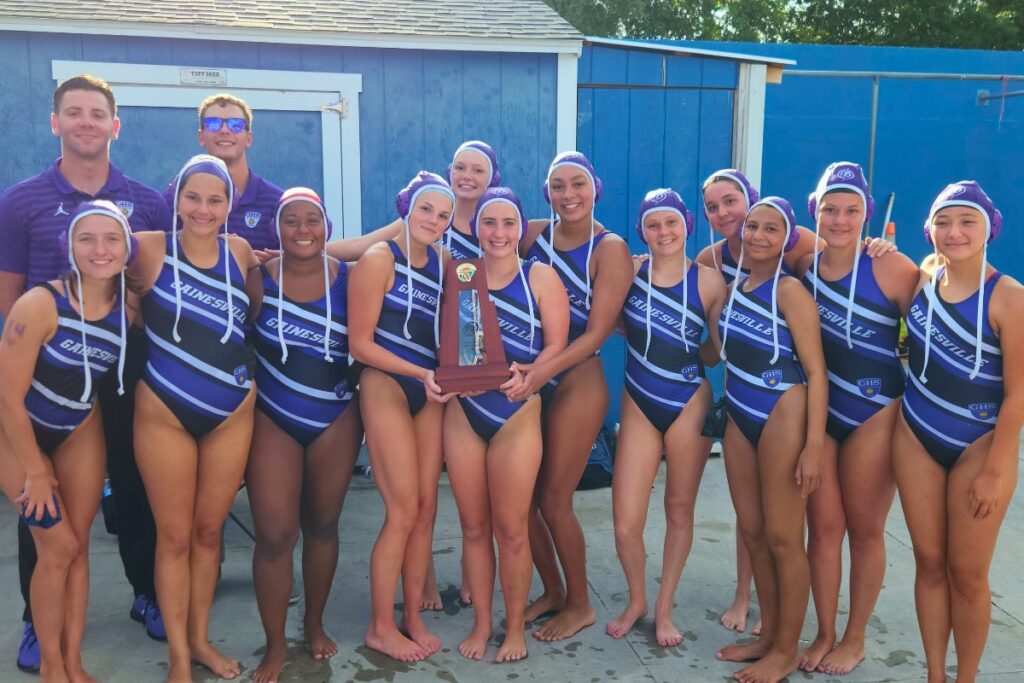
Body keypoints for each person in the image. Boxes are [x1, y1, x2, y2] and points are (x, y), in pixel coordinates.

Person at [0, 73, 170, 671]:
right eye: (74, 112)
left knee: (134, 483)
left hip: (111, 372)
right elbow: (9, 297)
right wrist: (46, 344)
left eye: (97, 113)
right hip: (41, 368)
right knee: (48, 528)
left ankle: (146, 594)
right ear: (56, 122)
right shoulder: (21, 202)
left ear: (115, 125)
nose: (86, 122)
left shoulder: (148, 202)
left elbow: (162, 286)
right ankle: (38, 629)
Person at [127, 154, 260, 682]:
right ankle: (179, 658)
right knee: (175, 537)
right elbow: (107, 283)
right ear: (176, 199)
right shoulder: (148, 248)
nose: (203, 209)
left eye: (215, 199)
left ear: (229, 204)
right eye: (193, 198)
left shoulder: (240, 251)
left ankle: (201, 641)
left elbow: (251, 313)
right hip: (164, 409)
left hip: (231, 413)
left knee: (208, 534)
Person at [0, 201, 136, 683]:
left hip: (78, 427)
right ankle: (51, 668)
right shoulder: (39, 304)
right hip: (15, 431)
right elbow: (7, 397)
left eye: (112, 239)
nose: (100, 249)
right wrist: (36, 470)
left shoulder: (128, 307)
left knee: (77, 549)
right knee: (56, 548)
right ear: (69, 246)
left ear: (128, 247)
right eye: (87, 239)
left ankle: (74, 662)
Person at [894, 181, 1022, 683]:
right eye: (943, 222)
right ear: (930, 230)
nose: (955, 232)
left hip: (980, 446)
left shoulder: (1009, 298)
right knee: (929, 563)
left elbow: (1019, 395)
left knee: (966, 575)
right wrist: (876, 243)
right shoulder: (924, 276)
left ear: (990, 227)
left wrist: (996, 471)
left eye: (968, 221)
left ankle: (965, 677)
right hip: (916, 436)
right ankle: (934, 675)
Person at [794, 162, 919, 675]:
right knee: (823, 530)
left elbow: (938, 322)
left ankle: (856, 637)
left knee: (866, 531)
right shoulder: (804, 269)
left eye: (851, 210)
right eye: (830, 209)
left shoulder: (892, 267)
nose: (840, 220)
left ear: (866, 213)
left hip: (876, 413)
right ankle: (824, 632)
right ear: (815, 211)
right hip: (823, 416)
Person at [444, 187, 568, 662]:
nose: (498, 233)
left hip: (517, 412)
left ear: (521, 228)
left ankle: (514, 627)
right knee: (473, 528)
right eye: (489, 223)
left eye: (508, 223)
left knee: (512, 530)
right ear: (475, 227)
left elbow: (556, 345)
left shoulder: (539, 276)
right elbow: (455, 341)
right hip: (465, 411)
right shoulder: (462, 273)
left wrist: (532, 375)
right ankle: (481, 623)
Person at [513, 151, 632, 641]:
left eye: (578, 183)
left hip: (576, 378)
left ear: (594, 188)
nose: (568, 194)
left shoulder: (610, 248)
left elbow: (598, 332)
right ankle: (553, 590)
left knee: (554, 499)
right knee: (522, 501)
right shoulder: (532, 235)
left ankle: (580, 604)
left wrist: (542, 371)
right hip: (533, 375)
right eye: (558, 185)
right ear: (547, 192)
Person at [247, 188, 363, 682]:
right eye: (291, 220)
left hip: (336, 416)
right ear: (277, 228)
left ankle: (313, 624)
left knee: (322, 524)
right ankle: (275, 644)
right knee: (275, 535)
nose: (302, 230)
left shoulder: (351, 279)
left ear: (327, 227)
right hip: (273, 418)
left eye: (312, 220)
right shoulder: (256, 278)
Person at [711, 196, 827, 683]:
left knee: (784, 537)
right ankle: (768, 636)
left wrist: (813, 446)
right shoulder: (733, 288)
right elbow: (712, 353)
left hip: (783, 408)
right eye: (752, 227)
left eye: (770, 229)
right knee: (753, 532)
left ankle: (786, 648)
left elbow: (817, 372)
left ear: (786, 239)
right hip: (739, 412)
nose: (758, 236)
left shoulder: (790, 290)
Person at [606, 190, 726, 647]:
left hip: (689, 398)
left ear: (686, 225)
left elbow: (714, 352)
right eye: (653, 225)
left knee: (678, 509)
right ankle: (637, 598)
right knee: (625, 522)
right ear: (643, 231)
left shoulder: (710, 282)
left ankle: (663, 607)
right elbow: (608, 320)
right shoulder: (629, 274)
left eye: (671, 222)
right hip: (638, 402)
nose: (663, 232)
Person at [347, 172, 456, 662]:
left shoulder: (444, 261)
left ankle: (411, 616)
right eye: (426, 209)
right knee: (403, 510)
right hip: (386, 382)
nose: (434, 220)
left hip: (428, 389)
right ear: (407, 209)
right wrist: (420, 372)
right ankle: (379, 626)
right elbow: (360, 344)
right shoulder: (378, 259)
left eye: (443, 214)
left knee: (426, 509)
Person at [165, 93, 283, 252]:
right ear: (201, 137)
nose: (225, 130)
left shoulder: (276, 202)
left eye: (236, 125)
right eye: (213, 124)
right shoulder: (176, 200)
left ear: (249, 138)